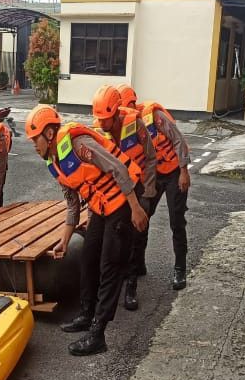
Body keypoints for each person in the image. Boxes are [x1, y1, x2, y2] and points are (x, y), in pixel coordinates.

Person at [25, 104, 148, 356]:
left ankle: (98, 334)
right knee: (88, 257)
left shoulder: (79, 144)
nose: (33, 145)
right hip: (102, 208)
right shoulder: (54, 161)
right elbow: (72, 204)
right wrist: (64, 240)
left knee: (109, 266)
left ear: (49, 134)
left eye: (34, 139)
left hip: (124, 201)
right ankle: (86, 313)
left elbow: (118, 168)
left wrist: (136, 208)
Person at [116, 84, 192, 293]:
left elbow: (178, 140)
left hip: (175, 171)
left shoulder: (153, 114)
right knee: (143, 216)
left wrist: (184, 171)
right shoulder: (127, 124)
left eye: (129, 105)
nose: (128, 110)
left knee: (176, 221)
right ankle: (138, 265)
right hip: (154, 174)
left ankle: (180, 269)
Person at [91, 84, 157, 311]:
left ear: (116, 112)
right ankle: (110, 285)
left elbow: (150, 157)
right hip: (113, 194)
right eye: (98, 119)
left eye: (105, 119)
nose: (101, 124)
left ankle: (131, 286)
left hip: (138, 190)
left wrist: (147, 192)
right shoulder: (98, 130)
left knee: (135, 240)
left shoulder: (135, 124)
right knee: (111, 242)